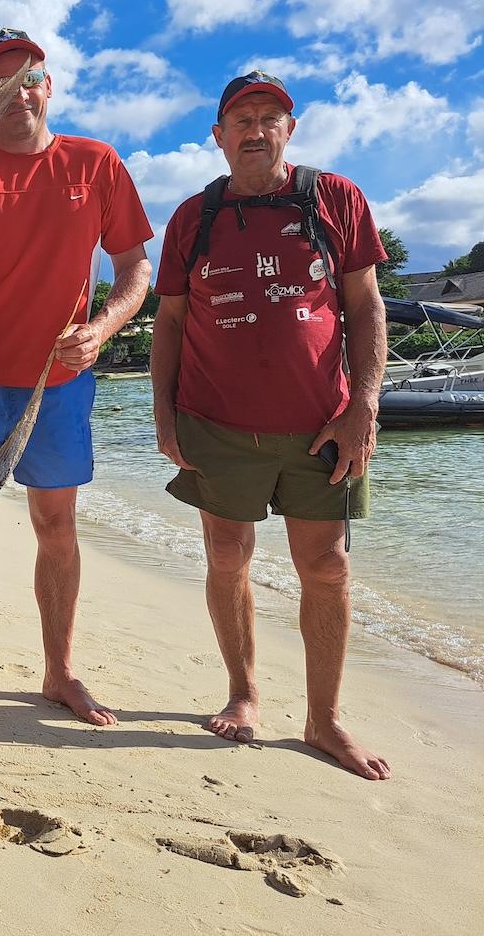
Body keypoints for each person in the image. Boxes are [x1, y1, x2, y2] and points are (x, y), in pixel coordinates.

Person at [150, 71, 390, 779]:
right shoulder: (192, 217)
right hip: (215, 421)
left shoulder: (333, 198)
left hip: (322, 422)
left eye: (268, 118)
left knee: (325, 565)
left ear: (290, 128)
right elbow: (168, 320)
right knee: (227, 555)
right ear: (218, 136)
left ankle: (323, 719)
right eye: (240, 120)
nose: (254, 130)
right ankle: (243, 692)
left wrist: (363, 405)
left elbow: (365, 305)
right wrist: (162, 413)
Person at [0, 28, 153, 727]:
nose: (16, 93)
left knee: (55, 524)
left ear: (47, 86)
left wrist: (103, 327)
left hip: (56, 385)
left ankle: (59, 671)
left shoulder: (95, 163)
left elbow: (134, 269)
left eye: (28, 77)